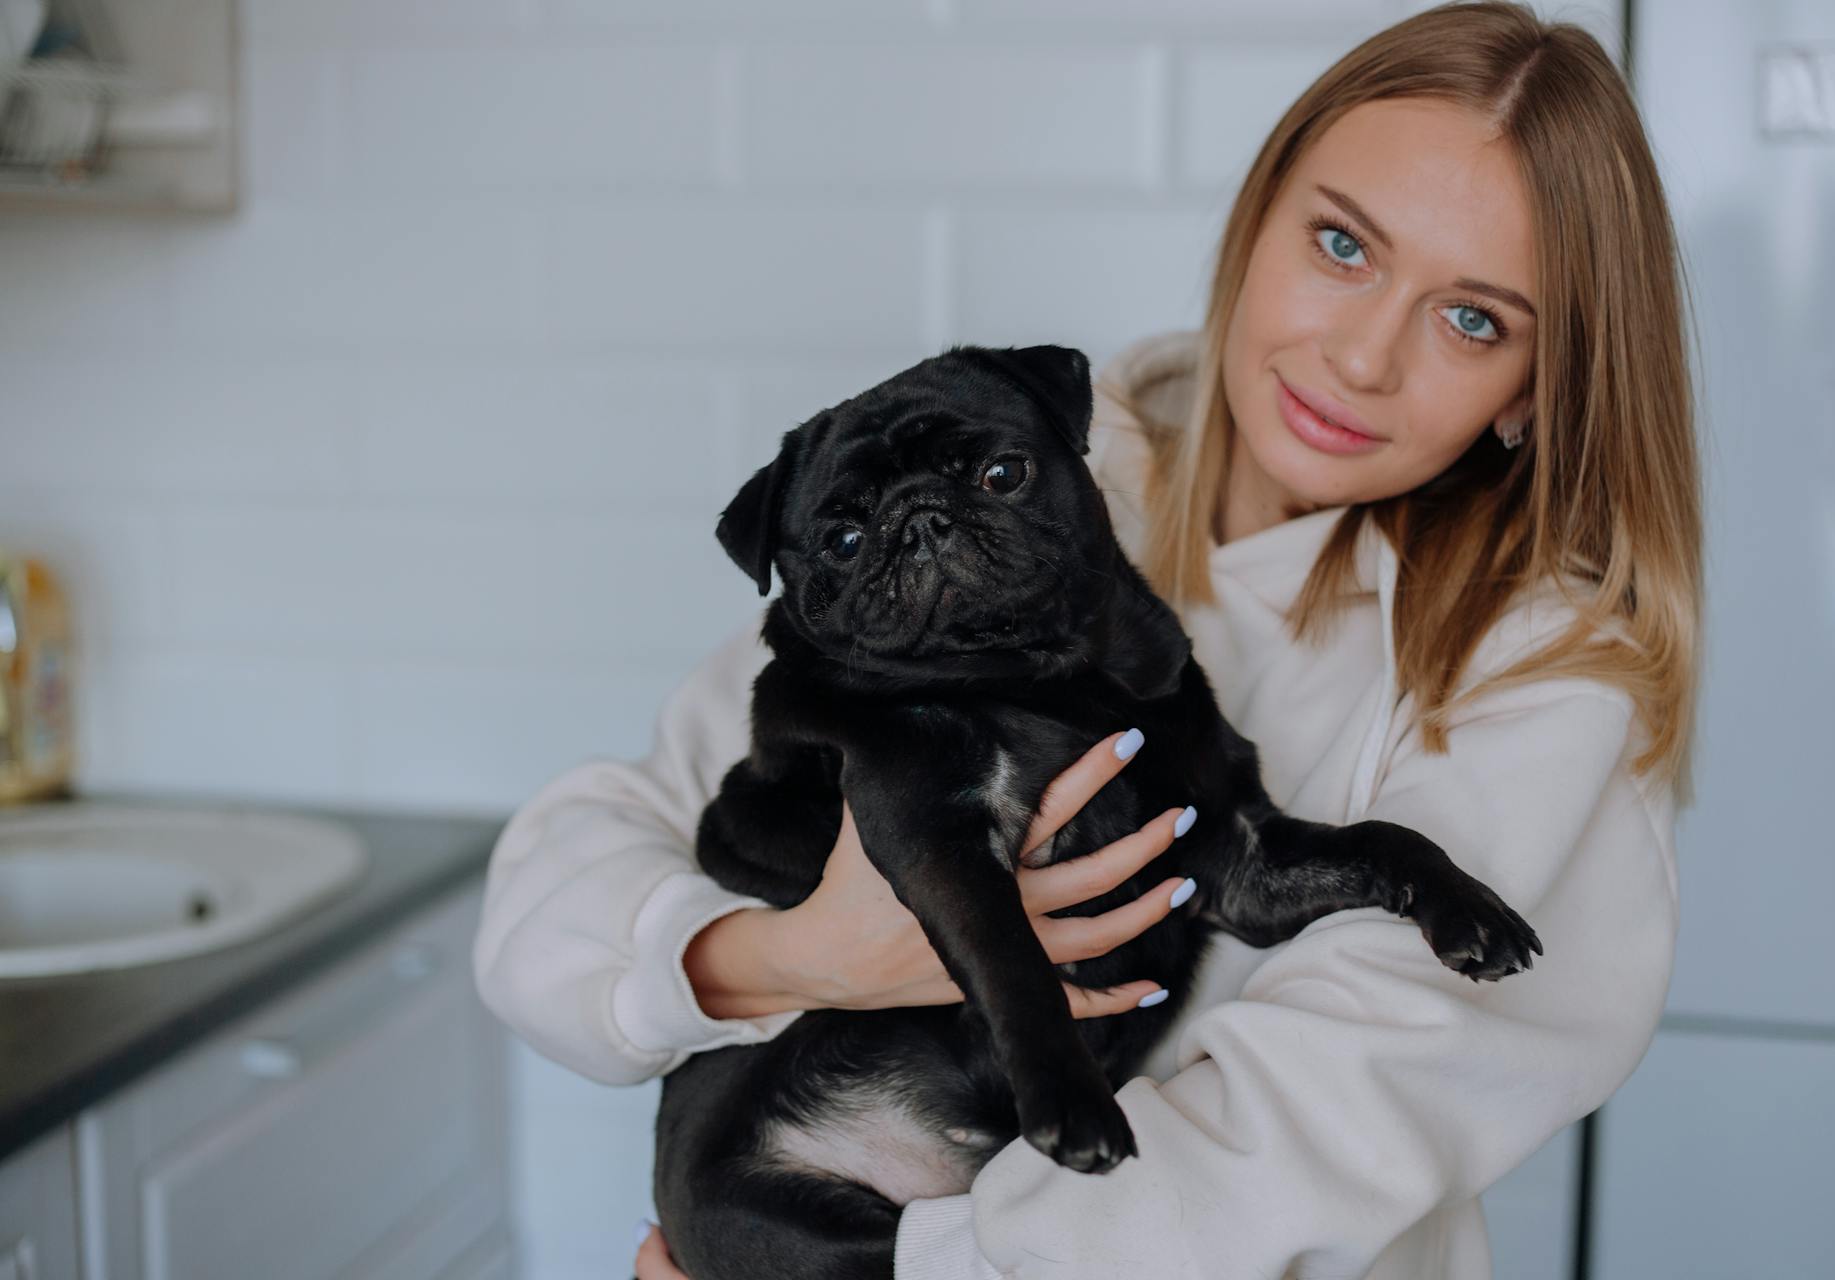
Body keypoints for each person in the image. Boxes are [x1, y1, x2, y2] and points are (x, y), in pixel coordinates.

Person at [472, 2, 1701, 1275]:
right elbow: (563, 872)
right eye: (1342, 244)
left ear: (1535, 394)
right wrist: (778, 952)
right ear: (1256, 217)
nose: (1362, 354)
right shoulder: (1006, 465)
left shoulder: (1542, 672)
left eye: (1473, 320)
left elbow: (1298, 1134)